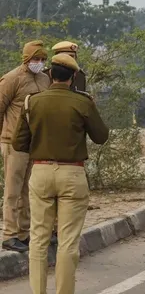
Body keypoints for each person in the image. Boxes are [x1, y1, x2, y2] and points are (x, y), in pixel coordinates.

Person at [11, 53, 109, 294]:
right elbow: (101, 136)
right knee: (67, 242)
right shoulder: (82, 102)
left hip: (41, 172)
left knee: (38, 238)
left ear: (50, 74)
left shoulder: (32, 102)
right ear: (74, 76)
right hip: (72, 174)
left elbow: (18, 143)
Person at [0, 40, 50, 252]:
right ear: (26, 59)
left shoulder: (45, 78)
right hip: (13, 141)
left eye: (41, 59)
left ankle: (24, 233)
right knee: (13, 189)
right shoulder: (12, 79)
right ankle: (9, 234)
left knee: (29, 189)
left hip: (35, 142)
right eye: (35, 59)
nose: (38, 62)